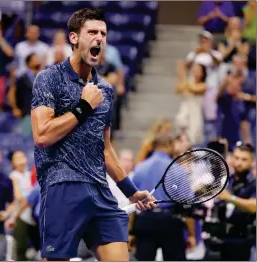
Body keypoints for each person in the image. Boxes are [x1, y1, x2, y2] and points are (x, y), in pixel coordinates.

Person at [30, 8, 156, 261]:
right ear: (75, 38)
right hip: (62, 186)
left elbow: (106, 149)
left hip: (100, 191)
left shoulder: (106, 90)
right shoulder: (48, 79)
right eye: (92, 32)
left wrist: (131, 191)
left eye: (103, 33)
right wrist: (84, 106)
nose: (99, 38)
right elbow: (42, 136)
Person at [131, 133, 196, 261]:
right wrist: (192, 235)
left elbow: (133, 203)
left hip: (145, 223)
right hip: (170, 224)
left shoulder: (140, 167)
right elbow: (187, 205)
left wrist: (130, 232)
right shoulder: (177, 169)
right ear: (169, 146)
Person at [217, 142, 256, 261]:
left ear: (252, 161)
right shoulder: (227, 179)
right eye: (237, 158)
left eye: (244, 159)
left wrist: (230, 198)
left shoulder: (253, 183)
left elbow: (254, 206)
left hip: (244, 240)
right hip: (222, 239)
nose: (239, 163)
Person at [9, 150, 39, 261]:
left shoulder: (29, 174)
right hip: (20, 215)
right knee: (21, 247)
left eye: (22, 156)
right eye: (17, 158)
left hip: (32, 214)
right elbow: (18, 197)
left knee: (38, 245)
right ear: (13, 163)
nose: (21, 160)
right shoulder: (14, 176)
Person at [175, 61, 207, 145]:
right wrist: (181, 75)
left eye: (198, 70)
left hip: (195, 114)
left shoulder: (203, 85)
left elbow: (192, 88)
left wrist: (182, 73)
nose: (195, 72)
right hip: (184, 111)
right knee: (181, 136)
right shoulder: (188, 80)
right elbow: (178, 89)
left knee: (193, 137)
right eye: (194, 70)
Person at [8, 53, 42, 118]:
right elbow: (11, 93)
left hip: (40, 115)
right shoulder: (22, 78)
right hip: (26, 114)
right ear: (28, 63)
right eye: (35, 59)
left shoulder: (42, 77)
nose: (38, 61)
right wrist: (15, 108)